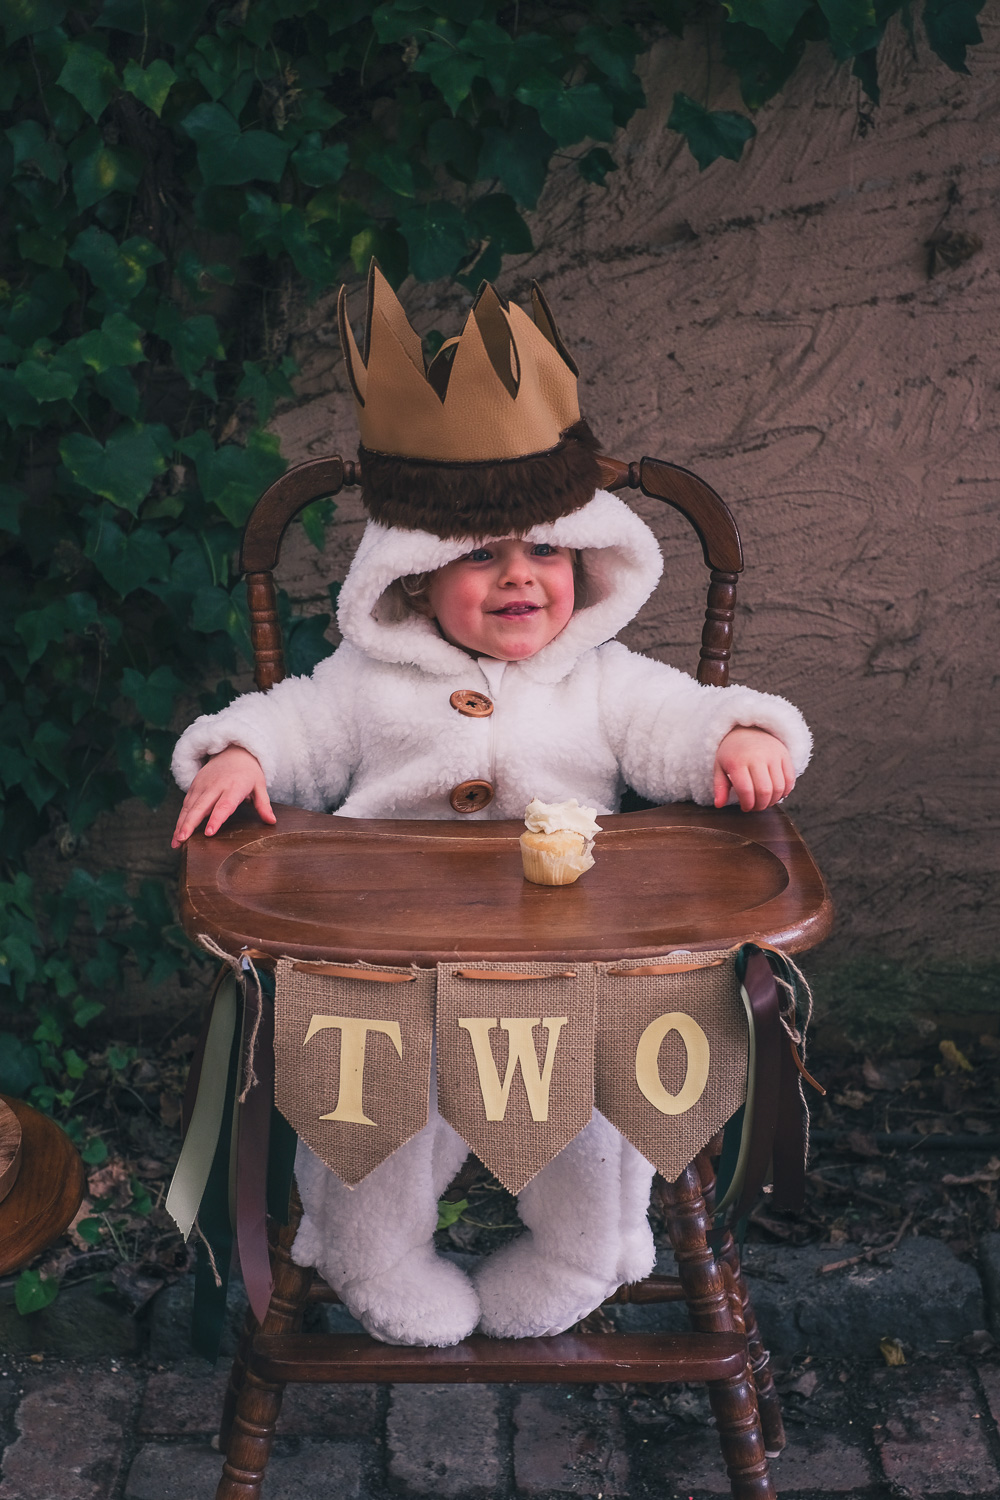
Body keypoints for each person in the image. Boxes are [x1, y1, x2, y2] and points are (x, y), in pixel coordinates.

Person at [170, 266, 811, 1349]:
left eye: (546, 551)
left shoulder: (598, 675)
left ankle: (584, 1251)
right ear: (414, 577)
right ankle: (370, 1260)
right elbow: (297, 724)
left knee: (594, 1116)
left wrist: (741, 737)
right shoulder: (366, 684)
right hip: (385, 970)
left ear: (586, 558)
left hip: (573, 972)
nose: (522, 579)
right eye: (481, 556)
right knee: (369, 1120)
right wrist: (241, 754)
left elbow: (677, 718)